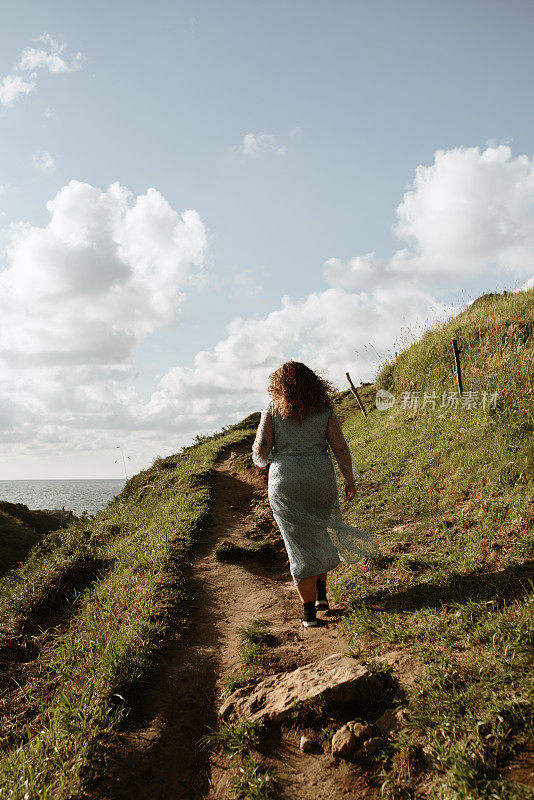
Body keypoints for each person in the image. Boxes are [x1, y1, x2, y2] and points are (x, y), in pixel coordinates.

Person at [252, 361, 379, 627]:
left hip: (285, 481)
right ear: (314, 382)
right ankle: (322, 595)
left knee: (296, 542)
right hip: (320, 478)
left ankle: (309, 611)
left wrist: (261, 458)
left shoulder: (273, 409)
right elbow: (340, 448)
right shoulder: (324, 409)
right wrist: (349, 479)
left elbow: (262, 448)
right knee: (320, 531)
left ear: (279, 385)